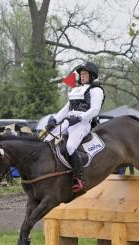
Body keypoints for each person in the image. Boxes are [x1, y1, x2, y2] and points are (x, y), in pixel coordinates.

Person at [44, 61, 105, 193]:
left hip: (83, 123)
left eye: (84, 74)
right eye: (81, 74)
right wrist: (54, 119)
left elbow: (95, 110)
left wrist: (79, 117)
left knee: (70, 146)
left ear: (92, 75)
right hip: (68, 121)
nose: (82, 76)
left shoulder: (96, 90)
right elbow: (66, 109)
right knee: (47, 141)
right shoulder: (77, 90)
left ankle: (79, 178)